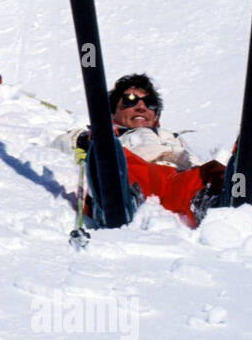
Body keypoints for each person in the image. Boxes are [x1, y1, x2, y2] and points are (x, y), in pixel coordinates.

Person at [61, 73, 225, 227]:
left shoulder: (176, 138)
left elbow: (207, 152)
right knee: (116, 155)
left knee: (214, 171)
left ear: (157, 115)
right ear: (111, 113)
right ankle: (124, 199)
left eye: (150, 102)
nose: (141, 107)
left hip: (179, 176)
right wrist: (86, 138)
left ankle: (215, 202)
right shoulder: (108, 136)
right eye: (130, 100)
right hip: (140, 171)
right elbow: (59, 146)